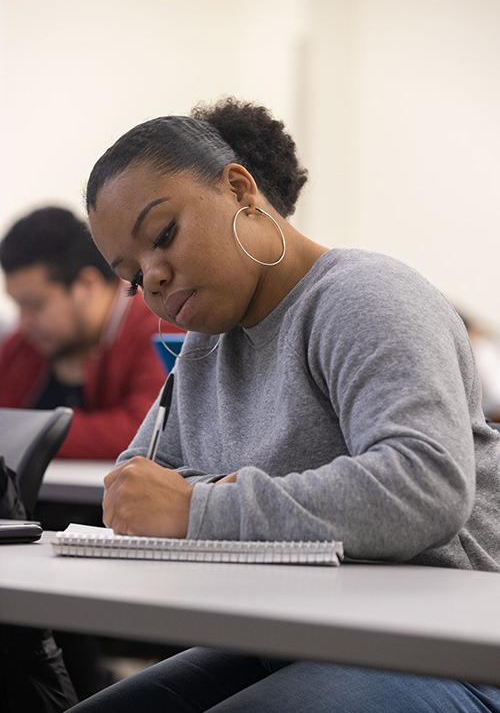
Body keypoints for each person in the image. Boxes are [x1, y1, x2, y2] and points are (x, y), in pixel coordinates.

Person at [70, 99, 500, 712]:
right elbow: (135, 490)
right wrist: (194, 501)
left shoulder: (364, 296)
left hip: (448, 645)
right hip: (298, 633)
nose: (154, 280)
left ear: (240, 189)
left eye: (163, 236)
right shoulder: (204, 348)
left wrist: (200, 505)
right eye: (133, 276)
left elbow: (425, 487)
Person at [0, 206, 181, 460]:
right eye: (17, 305)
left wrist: (24, 433)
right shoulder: (23, 345)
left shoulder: (159, 330)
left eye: (35, 305)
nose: (24, 321)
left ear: (87, 284)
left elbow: (148, 432)